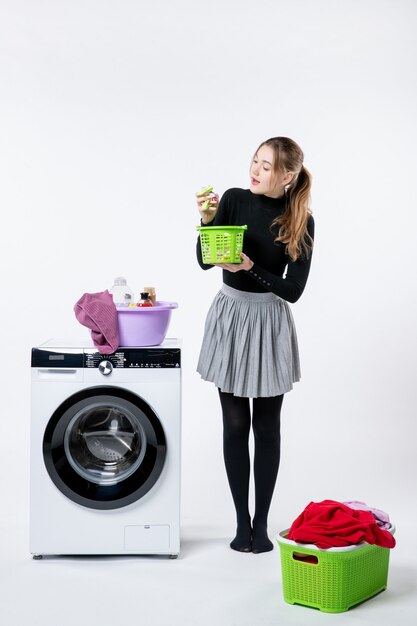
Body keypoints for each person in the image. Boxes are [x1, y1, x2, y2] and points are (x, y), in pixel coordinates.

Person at [195, 137, 315, 553]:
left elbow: (293, 290)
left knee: (266, 427)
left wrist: (251, 266)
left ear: (287, 175)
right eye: (255, 161)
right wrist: (208, 221)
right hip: (230, 317)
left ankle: (261, 524)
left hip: (268, 322)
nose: (255, 170)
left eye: (266, 166)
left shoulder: (300, 219)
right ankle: (240, 523)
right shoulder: (231, 199)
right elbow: (204, 258)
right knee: (234, 425)